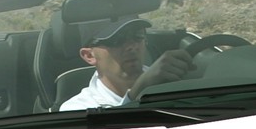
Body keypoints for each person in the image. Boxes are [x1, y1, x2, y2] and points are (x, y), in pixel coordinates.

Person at [58, 16, 198, 110]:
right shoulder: (76, 109)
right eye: (116, 40)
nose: (132, 45)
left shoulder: (174, 82)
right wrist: (138, 92)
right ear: (89, 55)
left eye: (138, 35)